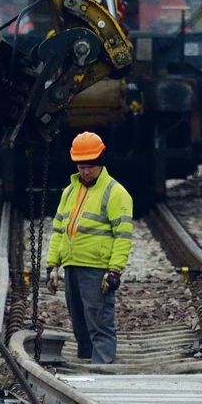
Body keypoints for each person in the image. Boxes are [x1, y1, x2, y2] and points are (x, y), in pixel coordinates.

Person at [45, 132, 133, 364]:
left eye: (90, 166)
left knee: (99, 320)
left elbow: (123, 236)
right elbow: (59, 230)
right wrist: (52, 265)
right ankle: (86, 362)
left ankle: (103, 367)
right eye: (81, 166)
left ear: (101, 161)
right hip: (71, 266)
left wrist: (114, 270)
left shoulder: (116, 193)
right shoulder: (69, 191)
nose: (85, 171)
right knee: (79, 321)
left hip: (96, 268)